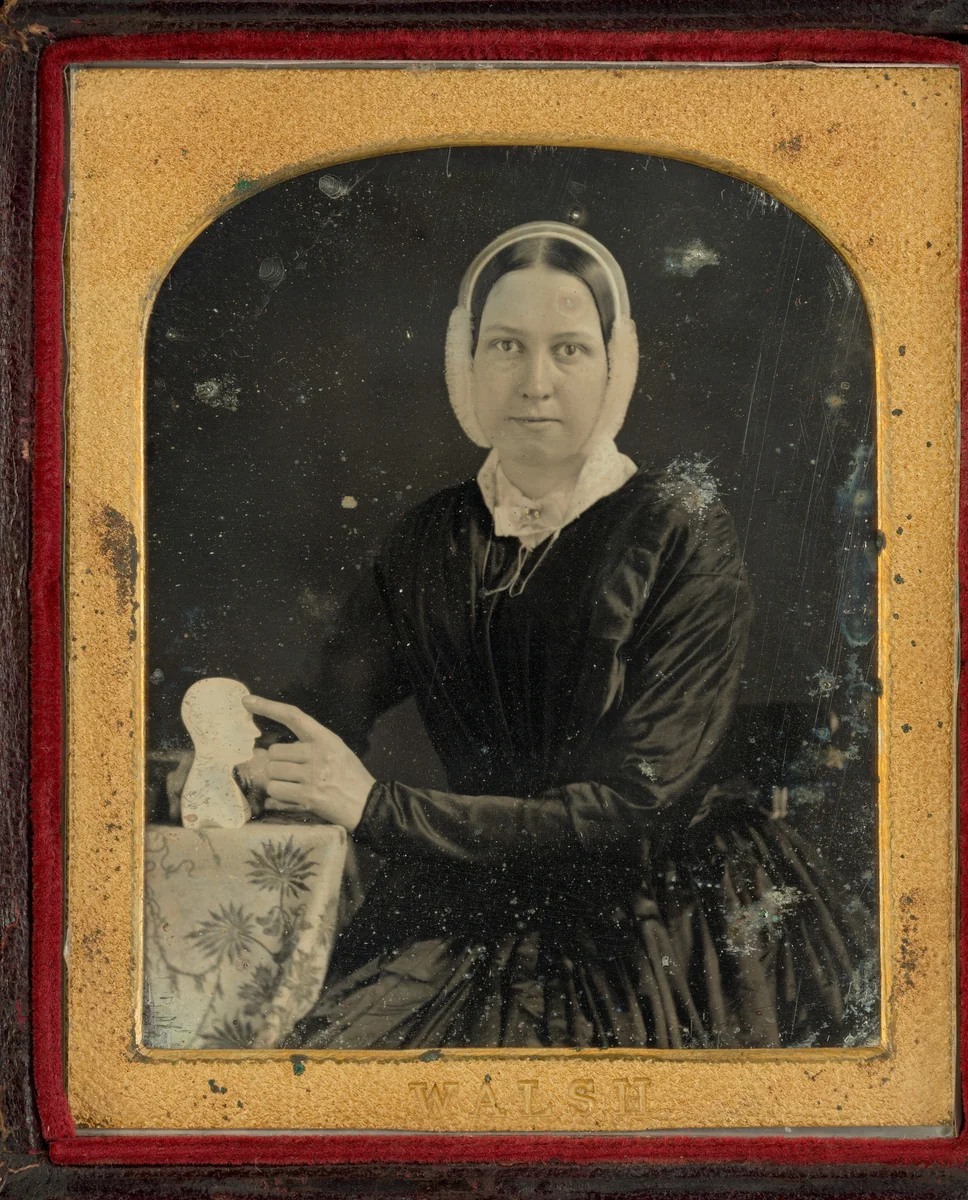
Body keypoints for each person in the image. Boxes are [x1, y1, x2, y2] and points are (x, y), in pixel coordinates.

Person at [240, 221, 867, 1050]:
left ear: (614, 364)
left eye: (567, 350)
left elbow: (635, 802)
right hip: (471, 889)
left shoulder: (681, 532)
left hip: (657, 915)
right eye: (505, 345)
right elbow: (330, 702)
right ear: (467, 363)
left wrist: (381, 808)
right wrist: (235, 742)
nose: (534, 382)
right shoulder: (432, 536)